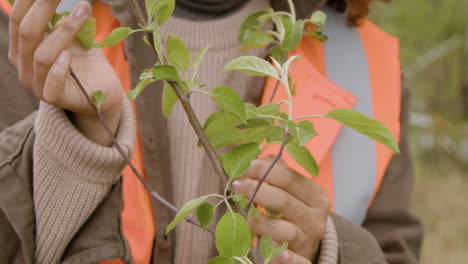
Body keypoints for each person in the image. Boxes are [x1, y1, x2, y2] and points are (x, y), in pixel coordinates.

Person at [0, 0, 423, 263]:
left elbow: (391, 250)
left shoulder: (364, 61)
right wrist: (79, 141)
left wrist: (328, 250)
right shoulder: (26, 25)